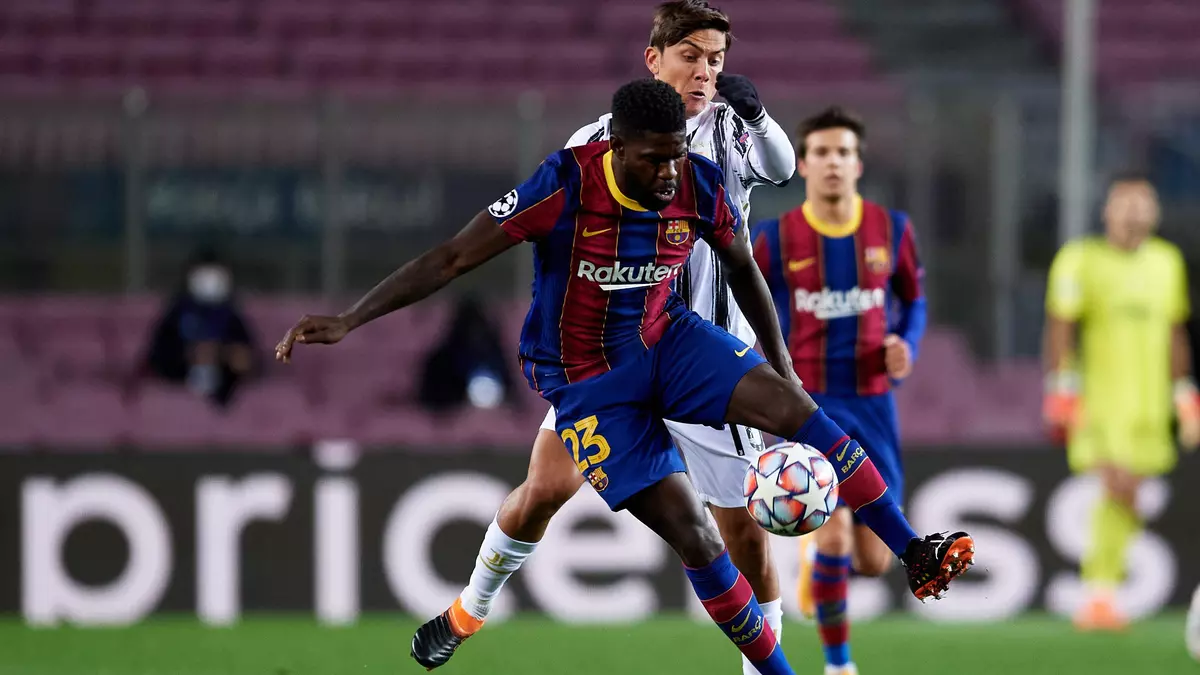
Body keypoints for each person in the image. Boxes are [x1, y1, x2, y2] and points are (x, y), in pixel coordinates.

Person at [276, 79, 974, 675]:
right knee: (684, 533)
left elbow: (741, 267)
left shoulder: (696, 179)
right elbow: (453, 257)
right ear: (617, 146)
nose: (670, 172)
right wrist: (350, 318)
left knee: (798, 418)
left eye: (677, 155)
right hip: (588, 382)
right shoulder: (565, 183)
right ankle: (469, 610)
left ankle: (914, 549)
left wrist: (782, 366)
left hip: (668, 340)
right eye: (654, 159)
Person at [413, 3, 798, 673]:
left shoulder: (733, 131)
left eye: (715, 60)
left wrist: (760, 116)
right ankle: (469, 609)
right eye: (691, 57)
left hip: (707, 358)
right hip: (612, 357)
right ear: (654, 60)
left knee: (743, 534)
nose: (705, 72)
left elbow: (784, 169)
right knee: (543, 490)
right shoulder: (593, 141)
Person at [751, 107, 926, 675]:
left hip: (874, 404)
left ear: (858, 163)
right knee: (833, 538)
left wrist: (905, 343)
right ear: (802, 165)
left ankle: (818, 566)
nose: (833, 162)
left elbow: (914, 301)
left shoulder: (892, 230)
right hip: (811, 408)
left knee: (874, 560)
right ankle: (839, 665)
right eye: (822, 152)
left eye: (843, 152)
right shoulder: (774, 239)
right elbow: (747, 309)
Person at [1043, 173, 1199, 631]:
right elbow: (1061, 326)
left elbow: (1175, 331)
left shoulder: (1167, 262)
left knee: (1130, 494)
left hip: (1150, 404)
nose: (1134, 212)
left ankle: (1103, 593)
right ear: (1107, 211)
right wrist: (1061, 389)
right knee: (1117, 484)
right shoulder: (1080, 260)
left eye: (1143, 203)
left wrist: (1185, 395)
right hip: (1099, 401)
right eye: (1125, 202)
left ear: (1156, 212)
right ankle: (1098, 592)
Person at [143, 247, 256, 408]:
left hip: (224, 397)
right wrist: (190, 355)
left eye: (215, 273)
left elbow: (249, 358)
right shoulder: (176, 314)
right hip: (176, 400)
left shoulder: (231, 316)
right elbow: (157, 357)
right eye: (204, 272)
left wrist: (223, 355)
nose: (209, 280)